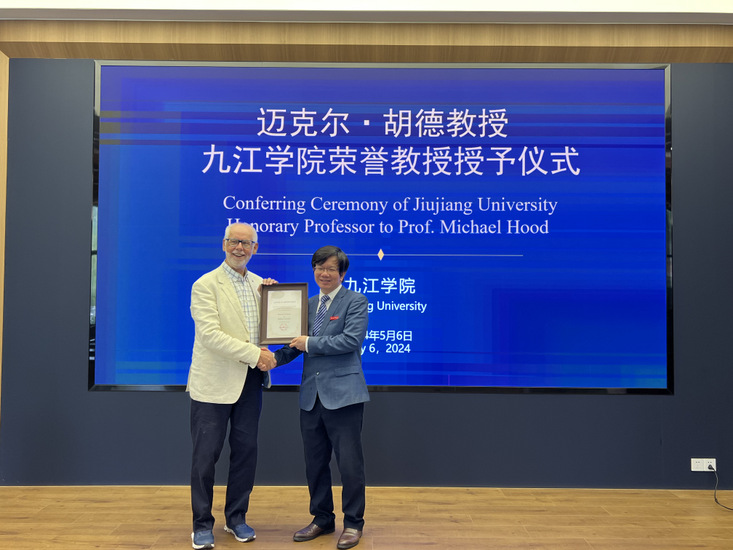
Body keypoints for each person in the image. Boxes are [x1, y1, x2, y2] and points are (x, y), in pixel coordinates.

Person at [265, 245, 369, 550]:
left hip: (344, 396)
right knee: (315, 463)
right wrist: (271, 359)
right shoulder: (307, 305)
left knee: (350, 465)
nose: (324, 273)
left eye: (331, 269)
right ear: (313, 270)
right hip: (311, 396)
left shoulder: (356, 301)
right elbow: (293, 345)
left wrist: (309, 342)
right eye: (319, 268)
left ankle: (353, 523)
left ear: (342, 273)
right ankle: (322, 518)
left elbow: (350, 341)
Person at [187, 222, 277, 550]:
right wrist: (256, 354)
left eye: (246, 243)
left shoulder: (260, 285)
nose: (240, 247)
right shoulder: (205, 284)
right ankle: (201, 525)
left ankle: (236, 518)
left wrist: (277, 302)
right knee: (205, 456)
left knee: (245, 453)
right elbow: (211, 336)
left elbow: (269, 330)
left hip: (250, 382)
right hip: (213, 383)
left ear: (256, 248)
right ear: (223, 244)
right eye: (234, 241)